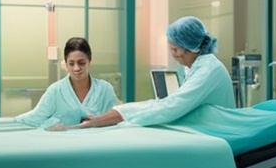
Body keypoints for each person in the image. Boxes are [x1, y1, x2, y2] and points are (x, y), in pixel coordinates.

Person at [78, 16, 234, 128]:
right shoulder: (197, 66)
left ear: (190, 48)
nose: (172, 54)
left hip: (216, 134)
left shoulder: (207, 71)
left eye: (174, 49)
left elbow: (172, 106)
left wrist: (122, 114)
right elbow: (170, 103)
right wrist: (123, 112)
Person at [15, 36, 119, 129]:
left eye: (81, 63)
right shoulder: (55, 90)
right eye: (71, 63)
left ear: (89, 62)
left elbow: (117, 118)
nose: (76, 68)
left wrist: (97, 121)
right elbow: (36, 116)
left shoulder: (104, 89)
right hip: (65, 145)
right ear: (66, 64)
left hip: (99, 145)